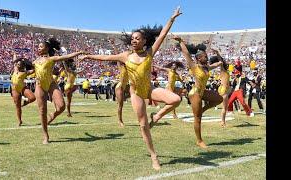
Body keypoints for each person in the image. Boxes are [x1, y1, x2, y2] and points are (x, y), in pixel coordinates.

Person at [79, 6, 182, 170]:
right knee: (142, 125)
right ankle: (154, 156)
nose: (134, 40)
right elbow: (106, 57)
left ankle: (156, 117)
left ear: (144, 41)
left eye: (137, 38)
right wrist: (88, 56)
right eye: (132, 38)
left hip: (150, 89)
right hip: (136, 94)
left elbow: (162, 35)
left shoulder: (150, 52)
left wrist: (172, 18)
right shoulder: (126, 56)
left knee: (176, 99)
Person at [170, 34, 223, 149]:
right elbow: (186, 54)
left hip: (203, 91)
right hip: (195, 93)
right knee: (197, 118)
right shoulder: (194, 66)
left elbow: (220, 63)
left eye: (207, 56)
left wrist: (218, 54)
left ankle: (203, 109)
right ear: (198, 58)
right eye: (205, 56)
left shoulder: (207, 67)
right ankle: (199, 140)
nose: (207, 58)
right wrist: (180, 42)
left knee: (219, 99)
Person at [33, 38, 86, 144]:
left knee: (62, 106)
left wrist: (79, 52)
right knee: (42, 111)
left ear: (47, 48)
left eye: (41, 46)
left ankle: (53, 115)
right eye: (38, 47)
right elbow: (28, 70)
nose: (39, 48)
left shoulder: (52, 58)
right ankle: (46, 135)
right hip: (40, 86)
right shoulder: (35, 61)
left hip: (52, 84)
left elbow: (67, 56)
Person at [10, 53, 36, 126]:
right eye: (18, 64)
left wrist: (32, 64)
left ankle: (25, 102)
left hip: (23, 88)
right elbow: (15, 61)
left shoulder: (25, 72)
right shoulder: (15, 69)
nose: (18, 65)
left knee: (33, 98)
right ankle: (19, 121)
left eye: (19, 64)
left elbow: (34, 70)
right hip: (15, 90)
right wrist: (14, 54)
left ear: (22, 66)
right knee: (18, 106)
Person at [109, 38, 129, 127]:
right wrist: (113, 45)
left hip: (126, 87)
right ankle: (120, 121)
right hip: (119, 87)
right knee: (121, 105)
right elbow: (118, 55)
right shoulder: (121, 67)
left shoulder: (130, 68)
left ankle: (121, 99)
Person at [209, 50, 230, 127]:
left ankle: (222, 121)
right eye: (226, 64)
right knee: (224, 107)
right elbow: (221, 61)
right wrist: (217, 53)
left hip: (222, 88)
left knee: (224, 107)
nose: (227, 64)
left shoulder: (225, 72)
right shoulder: (223, 70)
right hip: (223, 89)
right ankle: (223, 122)